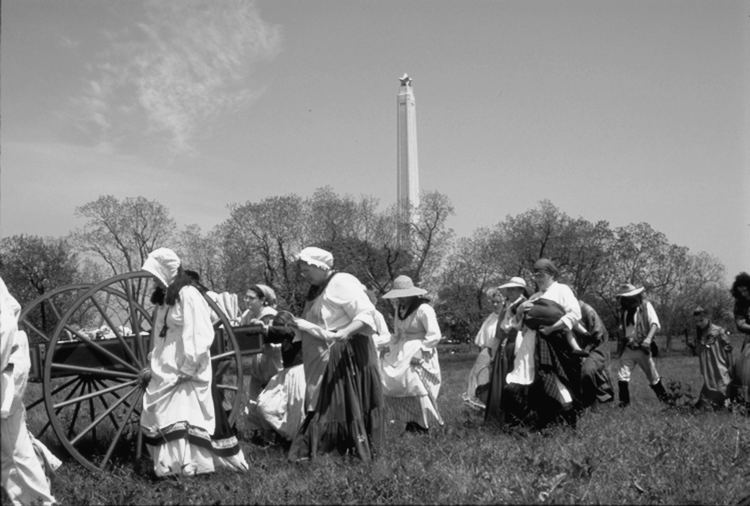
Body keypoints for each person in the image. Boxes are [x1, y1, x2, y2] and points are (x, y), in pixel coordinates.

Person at [140, 248, 248, 477]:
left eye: (154, 274)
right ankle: (171, 466)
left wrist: (189, 365)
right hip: (165, 364)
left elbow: (200, 331)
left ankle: (189, 465)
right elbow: (159, 335)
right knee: (161, 414)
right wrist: (153, 361)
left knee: (182, 413)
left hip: (185, 363)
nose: (152, 279)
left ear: (166, 271)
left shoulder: (189, 294)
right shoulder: (163, 299)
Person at [287, 247, 383, 462]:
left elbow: (366, 313)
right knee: (319, 399)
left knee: (334, 402)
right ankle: (325, 447)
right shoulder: (317, 289)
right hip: (320, 354)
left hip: (343, 353)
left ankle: (337, 448)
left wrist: (345, 332)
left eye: (306, 270)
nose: (304, 275)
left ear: (319, 266)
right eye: (301, 271)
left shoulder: (342, 281)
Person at [1, 277, 58, 506]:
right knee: (10, 447)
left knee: (12, 449)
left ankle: (39, 501)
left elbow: (4, 328)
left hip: (5, 371)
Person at [510, 259, 583, 429]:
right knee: (531, 381)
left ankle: (570, 422)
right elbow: (517, 326)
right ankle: (536, 422)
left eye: (540, 274)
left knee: (554, 379)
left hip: (554, 342)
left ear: (551, 274)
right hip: (531, 343)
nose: (537, 278)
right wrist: (520, 310)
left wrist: (552, 329)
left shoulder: (561, 290)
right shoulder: (534, 297)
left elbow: (575, 314)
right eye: (534, 275)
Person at [379, 275, 444, 433]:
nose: (400, 299)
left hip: (420, 351)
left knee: (416, 385)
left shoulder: (424, 309)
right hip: (402, 350)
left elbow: (435, 334)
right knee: (397, 383)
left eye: (402, 295)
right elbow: (397, 333)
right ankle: (410, 421)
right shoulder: (399, 310)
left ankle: (424, 424)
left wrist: (421, 351)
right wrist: (386, 346)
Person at [238, 284, 283, 441]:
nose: (247, 301)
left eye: (251, 298)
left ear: (263, 300)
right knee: (253, 399)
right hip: (258, 362)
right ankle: (258, 434)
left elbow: (276, 340)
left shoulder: (270, 315)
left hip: (272, 360)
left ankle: (277, 433)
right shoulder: (248, 314)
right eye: (246, 297)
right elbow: (238, 326)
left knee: (271, 401)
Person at [615, 283, 670, 407]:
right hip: (628, 349)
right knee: (622, 376)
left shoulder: (645, 306)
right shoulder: (623, 312)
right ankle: (624, 405)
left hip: (642, 348)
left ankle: (667, 403)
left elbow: (654, 324)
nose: (626, 301)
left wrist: (648, 339)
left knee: (653, 377)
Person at [483, 276, 529, 425]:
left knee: (514, 378)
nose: (509, 291)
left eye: (512, 288)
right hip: (506, 344)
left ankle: (516, 417)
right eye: (508, 289)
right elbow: (501, 330)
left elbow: (518, 327)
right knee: (502, 378)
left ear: (520, 290)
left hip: (519, 344)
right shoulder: (509, 305)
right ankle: (502, 418)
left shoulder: (525, 304)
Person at [462, 287, 504, 410]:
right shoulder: (490, 318)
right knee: (478, 376)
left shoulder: (506, 316)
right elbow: (482, 340)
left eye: (498, 302)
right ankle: (479, 403)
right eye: (493, 302)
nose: (495, 304)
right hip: (487, 351)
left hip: (499, 351)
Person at [574, 299, 614, 408]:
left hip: (597, 346)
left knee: (588, 370)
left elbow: (597, 335)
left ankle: (593, 402)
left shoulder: (587, 310)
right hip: (580, 348)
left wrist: (585, 353)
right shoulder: (566, 310)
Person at [692, 306, 733, 410]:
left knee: (723, 386)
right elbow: (698, 352)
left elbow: (728, 349)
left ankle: (727, 403)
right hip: (708, 371)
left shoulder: (718, 331)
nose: (699, 324)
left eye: (701, 320)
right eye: (696, 321)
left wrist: (730, 365)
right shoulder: (699, 334)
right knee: (705, 402)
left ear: (707, 318)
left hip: (719, 368)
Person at [729, 272, 750, 407]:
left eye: (745, 290)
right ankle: (745, 399)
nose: (743, 293)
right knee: (743, 366)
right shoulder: (740, 304)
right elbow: (740, 323)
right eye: (740, 291)